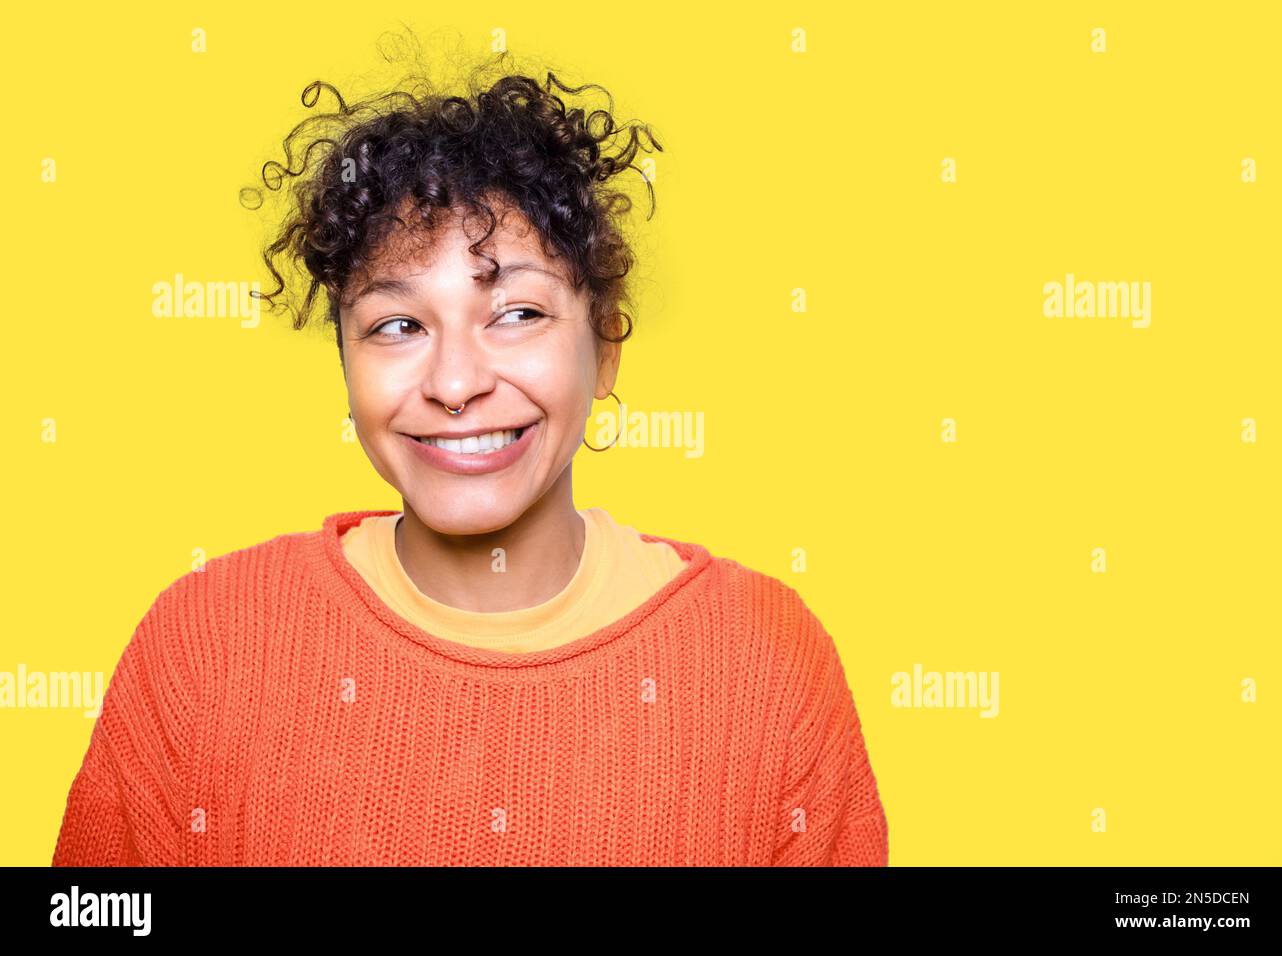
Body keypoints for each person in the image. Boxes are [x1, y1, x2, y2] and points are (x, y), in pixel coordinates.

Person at [51, 51, 887, 866]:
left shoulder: (766, 664)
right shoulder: (205, 646)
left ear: (608, 343)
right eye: (398, 326)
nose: (455, 383)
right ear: (345, 361)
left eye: (518, 313)